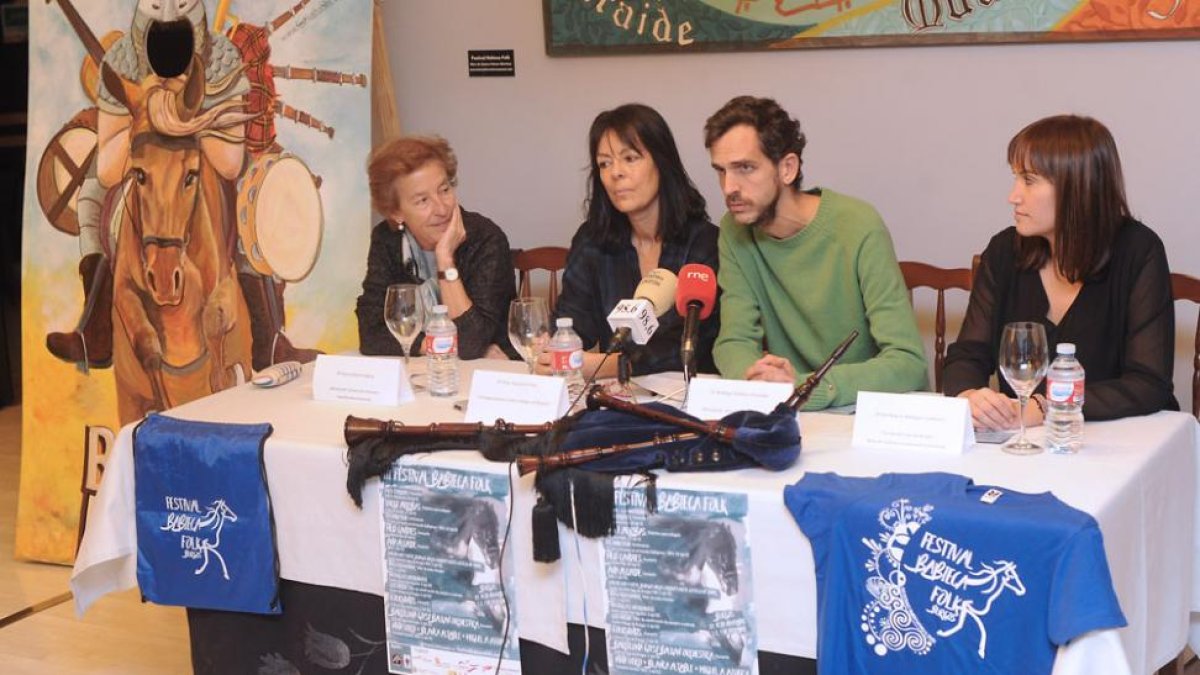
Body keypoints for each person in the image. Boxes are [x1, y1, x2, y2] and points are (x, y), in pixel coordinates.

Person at [943, 114, 1177, 428]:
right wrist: (969, 396)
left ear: (1076, 186)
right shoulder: (1003, 251)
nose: (1013, 196)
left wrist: (1046, 406)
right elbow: (967, 354)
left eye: (1028, 180)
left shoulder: (1139, 250)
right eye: (1015, 178)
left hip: (1117, 442)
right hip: (1025, 442)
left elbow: (1148, 383)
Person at [704, 95, 927, 410]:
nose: (728, 188)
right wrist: (753, 378)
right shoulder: (734, 230)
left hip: (867, 412)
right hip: (793, 414)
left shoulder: (858, 225)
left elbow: (908, 363)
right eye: (721, 171)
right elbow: (734, 340)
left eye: (745, 168)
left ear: (787, 168)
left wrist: (803, 388)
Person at [542, 103, 719, 379]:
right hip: (617, 399)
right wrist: (553, 347)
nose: (616, 173)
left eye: (630, 158)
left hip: (688, 399)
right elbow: (574, 326)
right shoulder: (593, 240)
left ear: (662, 162)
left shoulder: (704, 243)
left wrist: (603, 366)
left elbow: (692, 347)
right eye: (605, 163)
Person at [357, 135, 516, 360]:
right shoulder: (387, 239)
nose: (442, 209)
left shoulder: (486, 239)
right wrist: (433, 345)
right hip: (424, 371)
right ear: (396, 212)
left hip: (488, 374)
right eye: (423, 200)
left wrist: (445, 260)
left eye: (444, 190)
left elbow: (470, 344)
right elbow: (370, 334)